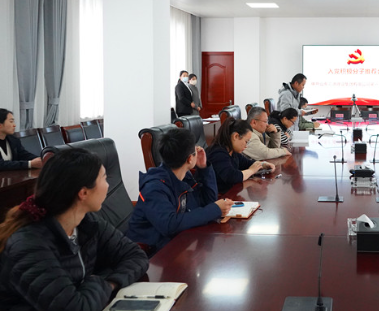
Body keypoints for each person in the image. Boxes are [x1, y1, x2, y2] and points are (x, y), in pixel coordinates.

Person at [0, 148, 148, 310]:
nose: (108, 185)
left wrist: (110, 283)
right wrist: (99, 283)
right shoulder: (29, 245)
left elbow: (136, 255)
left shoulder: (87, 222)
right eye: (104, 178)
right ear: (83, 193)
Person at [126, 128, 233, 255]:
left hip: (174, 245)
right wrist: (215, 209)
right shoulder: (154, 188)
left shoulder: (183, 177)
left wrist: (204, 168)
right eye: (195, 150)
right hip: (148, 253)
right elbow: (169, 225)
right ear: (189, 159)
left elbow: (208, 201)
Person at [207, 118, 276, 192]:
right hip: (218, 196)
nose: (246, 146)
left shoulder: (232, 152)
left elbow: (247, 163)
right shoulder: (217, 154)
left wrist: (263, 164)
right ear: (236, 136)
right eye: (246, 141)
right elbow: (232, 177)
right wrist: (251, 171)